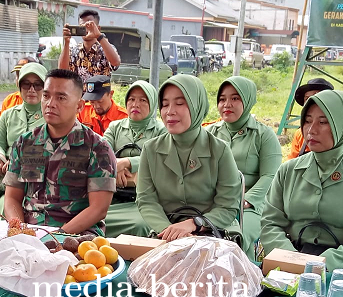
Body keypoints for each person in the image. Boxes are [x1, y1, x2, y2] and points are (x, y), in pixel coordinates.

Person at [261, 90, 343, 276]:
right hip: (290, 260)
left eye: (323, 122)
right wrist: (292, 259)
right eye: (307, 121)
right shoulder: (288, 171)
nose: (311, 130)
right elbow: (270, 223)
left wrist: (317, 266)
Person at [3, 68, 116, 235]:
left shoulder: (98, 148)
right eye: (46, 96)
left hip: (77, 235)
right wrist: (20, 231)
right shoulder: (24, 143)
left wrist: (56, 237)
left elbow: (98, 209)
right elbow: (12, 197)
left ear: (79, 106)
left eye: (61, 97)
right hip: (30, 232)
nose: (50, 103)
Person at [136, 75, 241, 243]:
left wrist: (194, 224)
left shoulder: (219, 150)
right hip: (165, 232)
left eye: (179, 103)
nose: (170, 111)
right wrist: (168, 231)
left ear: (196, 105)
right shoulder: (151, 149)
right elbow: (146, 200)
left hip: (214, 231)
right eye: (164, 104)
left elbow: (227, 207)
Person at [205, 76, 282, 259]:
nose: (227, 104)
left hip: (249, 206)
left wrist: (245, 200)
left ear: (247, 101)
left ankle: (241, 277)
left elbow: (271, 176)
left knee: (236, 236)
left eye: (235, 98)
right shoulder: (209, 133)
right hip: (212, 201)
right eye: (222, 99)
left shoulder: (263, 135)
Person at [0, 62, 48, 218]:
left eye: (38, 85)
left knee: (6, 206)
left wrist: (18, 162)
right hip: (2, 174)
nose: (31, 90)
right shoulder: (9, 114)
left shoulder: (51, 116)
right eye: (26, 84)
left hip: (33, 176)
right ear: (19, 86)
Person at [103, 80, 166, 237]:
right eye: (131, 99)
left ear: (152, 103)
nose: (135, 104)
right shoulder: (115, 127)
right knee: (93, 218)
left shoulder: (161, 130)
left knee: (141, 226)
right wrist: (115, 167)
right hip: (113, 196)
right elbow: (101, 154)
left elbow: (159, 158)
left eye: (142, 100)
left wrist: (127, 162)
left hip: (145, 199)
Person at [286, 78, 343, 159]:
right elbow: (292, 161)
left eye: (323, 122)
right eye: (307, 99)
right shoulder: (300, 134)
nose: (311, 131)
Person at [58, 9, 121, 83]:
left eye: (89, 25)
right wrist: (67, 42)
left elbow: (115, 62)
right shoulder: (74, 50)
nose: (86, 29)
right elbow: (62, 71)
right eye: (82, 26)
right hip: (78, 94)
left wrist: (99, 36)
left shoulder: (105, 49)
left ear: (98, 28)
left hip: (100, 94)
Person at [0, 57, 35, 123]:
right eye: (18, 75)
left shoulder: (45, 102)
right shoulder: (9, 100)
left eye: (24, 76)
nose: (20, 79)